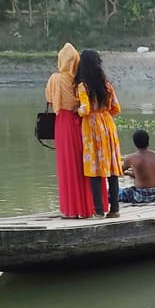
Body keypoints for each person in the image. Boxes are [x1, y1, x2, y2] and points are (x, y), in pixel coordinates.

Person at [45, 43, 95, 219]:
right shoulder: (82, 81)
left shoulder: (55, 79)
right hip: (81, 122)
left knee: (67, 165)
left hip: (63, 123)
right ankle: (87, 208)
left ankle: (71, 209)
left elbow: (50, 99)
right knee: (83, 165)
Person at [76, 50, 123, 218]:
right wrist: (104, 114)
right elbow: (116, 108)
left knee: (94, 168)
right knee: (111, 168)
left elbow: (86, 109)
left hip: (92, 128)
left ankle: (98, 210)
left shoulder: (83, 86)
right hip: (108, 126)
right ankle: (115, 209)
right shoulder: (106, 84)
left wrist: (78, 111)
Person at [119, 129, 155, 204]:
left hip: (141, 196)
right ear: (148, 141)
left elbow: (118, 171)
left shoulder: (131, 158)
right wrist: (132, 174)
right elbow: (147, 177)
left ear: (134, 143)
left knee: (116, 192)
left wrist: (127, 173)